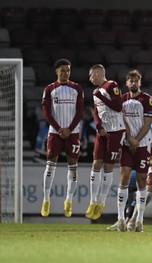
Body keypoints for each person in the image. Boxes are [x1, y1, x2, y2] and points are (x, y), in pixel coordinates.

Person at [40, 58, 84, 218]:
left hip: (72, 133)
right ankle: (46, 200)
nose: (65, 73)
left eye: (68, 70)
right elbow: (46, 112)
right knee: (50, 165)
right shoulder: (49, 89)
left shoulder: (77, 88)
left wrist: (69, 129)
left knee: (73, 166)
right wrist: (59, 129)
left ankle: (69, 200)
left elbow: (80, 112)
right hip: (55, 133)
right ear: (56, 71)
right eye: (62, 70)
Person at [116, 69, 152, 232]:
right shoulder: (121, 100)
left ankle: (139, 221)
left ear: (140, 82)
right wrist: (129, 138)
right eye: (130, 80)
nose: (133, 83)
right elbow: (121, 121)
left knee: (141, 180)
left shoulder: (147, 99)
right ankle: (120, 220)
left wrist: (136, 140)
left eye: (136, 80)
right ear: (126, 83)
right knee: (123, 178)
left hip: (143, 144)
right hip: (127, 144)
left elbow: (147, 123)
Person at [85, 64, 125, 220]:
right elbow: (96, 112)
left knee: (108, 166)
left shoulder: (111, 85)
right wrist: (98, 126)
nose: (90, 79)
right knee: (96, 164)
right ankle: (93, 201)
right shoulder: (96, 92)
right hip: (102, 131)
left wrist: (100, 96)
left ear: (97, 73)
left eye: (91, 75)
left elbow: (117, 106)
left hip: (116, 130)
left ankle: (101, 202)